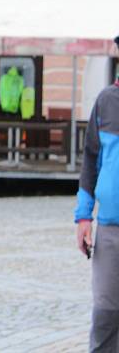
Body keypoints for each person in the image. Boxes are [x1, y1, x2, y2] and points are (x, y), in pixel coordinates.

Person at [75, 36, 119, 352]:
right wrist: (82, 216)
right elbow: (91, 158)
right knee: (105, 312)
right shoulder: (106, 101)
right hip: (110, 228)